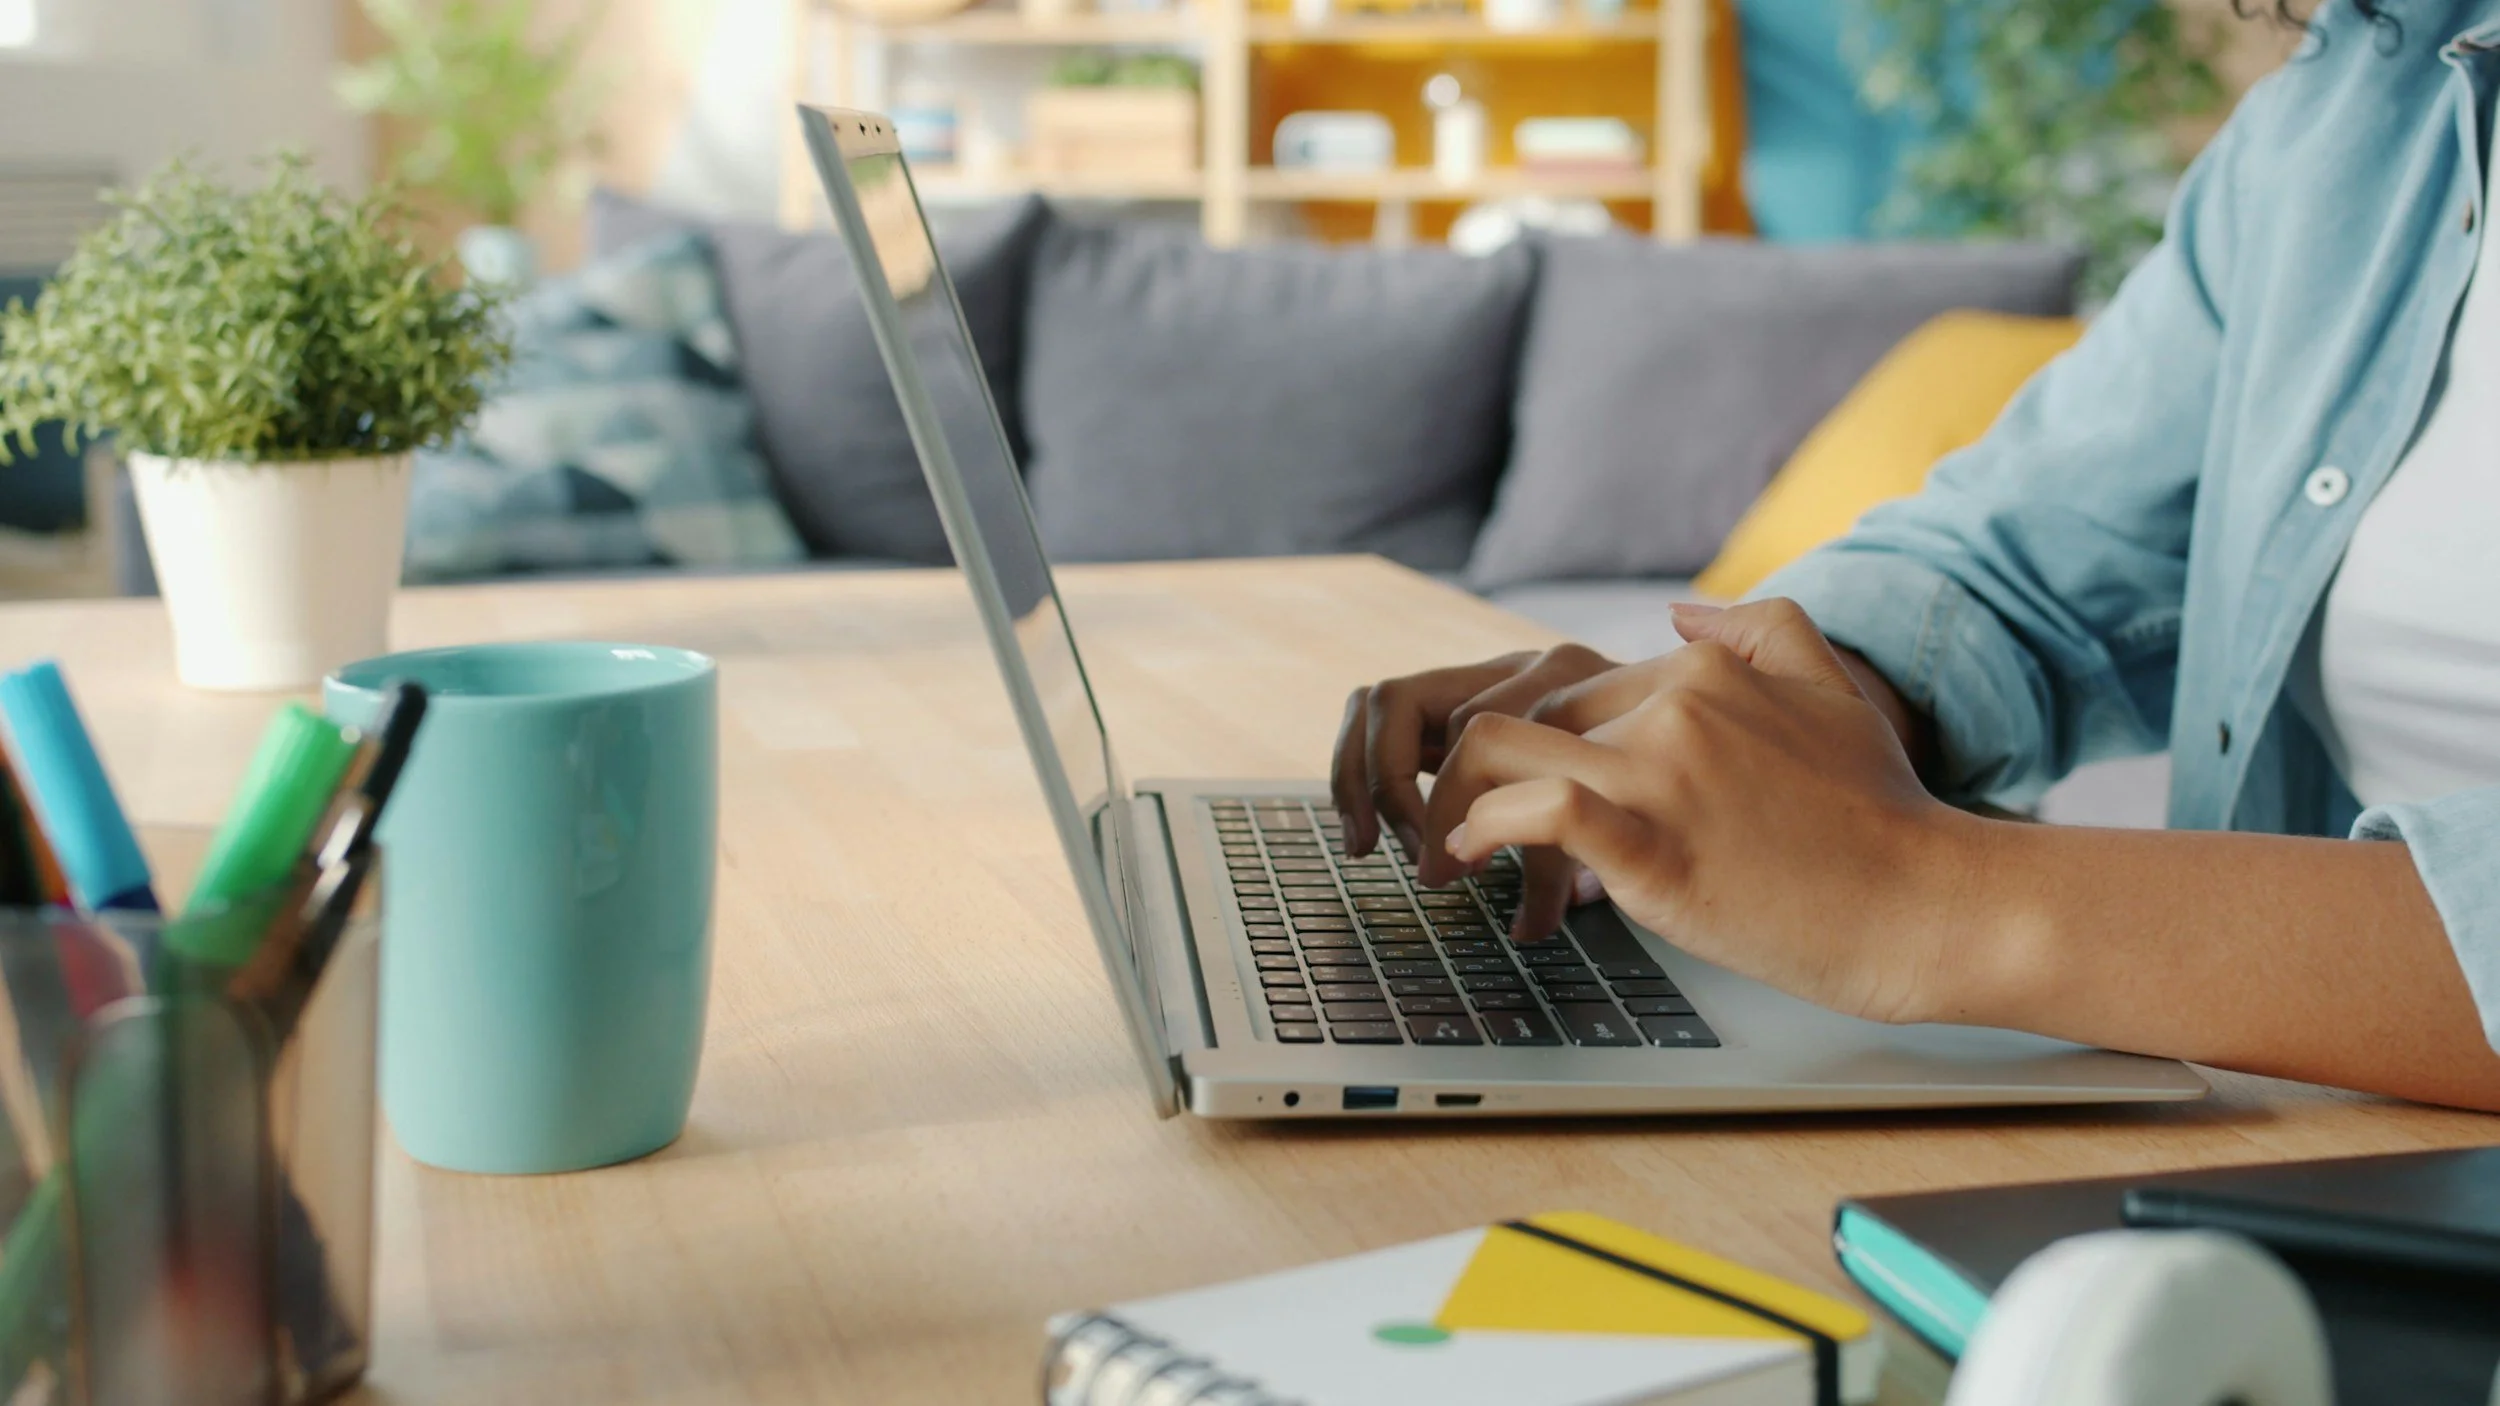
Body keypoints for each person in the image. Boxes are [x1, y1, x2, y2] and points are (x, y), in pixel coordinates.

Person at [1330, 0, 2500, 1112]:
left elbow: (1929, 891)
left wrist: (1928, 896)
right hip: (2307, 1133)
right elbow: (2029, 552)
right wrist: (1759, 713)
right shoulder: (2373, 85)